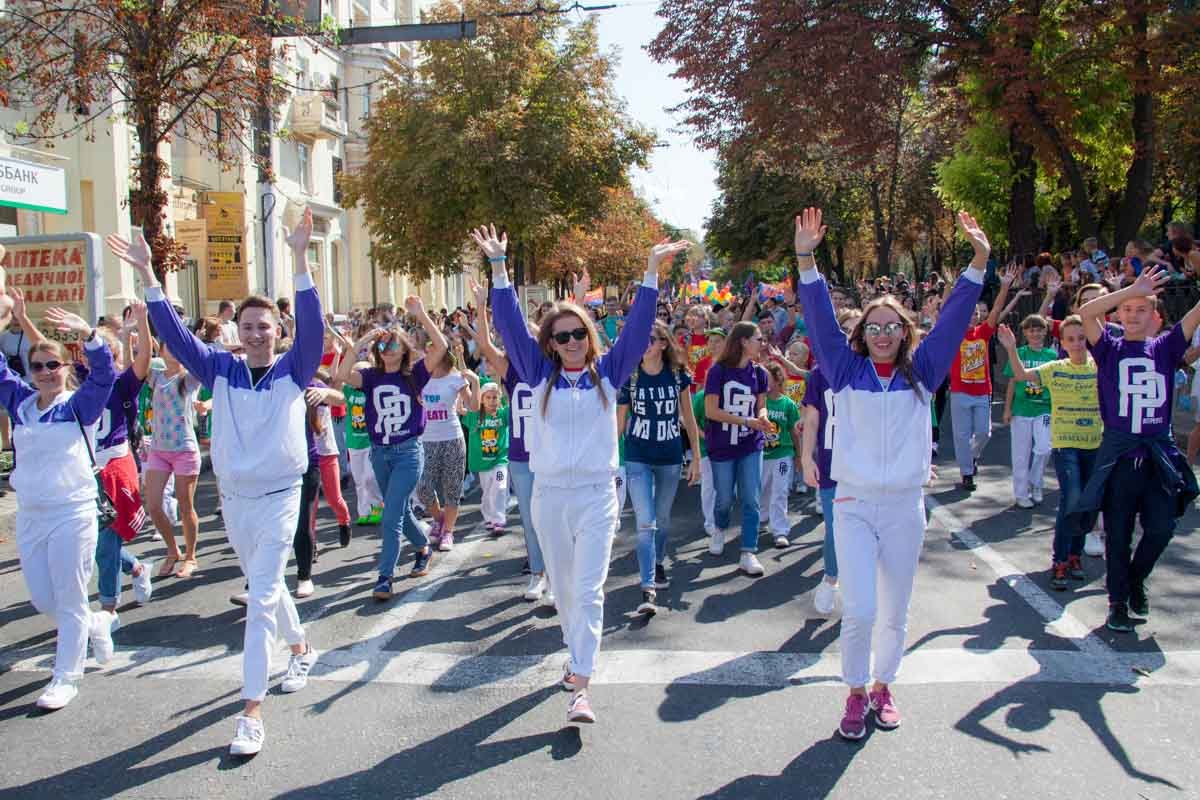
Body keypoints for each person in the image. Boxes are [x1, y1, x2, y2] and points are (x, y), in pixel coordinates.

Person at [108, 212, 322, 756]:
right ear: (237, 332)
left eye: (265, 325)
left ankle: (250, 711)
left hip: (279, 497)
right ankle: (300, 647)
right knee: (267, 587)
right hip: (235, 499)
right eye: (247, 326)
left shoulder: (294, 369)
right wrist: (150, 278)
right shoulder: (219, 369)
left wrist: (299, 260)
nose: (255, 333)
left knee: (260, 597)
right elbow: (176, 337)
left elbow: (315, 329)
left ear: (278, 331)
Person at [473, 222, 687, 725]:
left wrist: (651, 271)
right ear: (549, 341)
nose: (569, 340)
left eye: (577, 333)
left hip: (595, 495)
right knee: (565, 591)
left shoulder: (608, 374)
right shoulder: (537, 373)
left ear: (588, 338)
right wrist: (500, 267)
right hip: (549, 497)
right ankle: (576, 658)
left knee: (589, 590)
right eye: (560, 334)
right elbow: (506, 323)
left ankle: (582, 682)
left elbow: (636, 329)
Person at [794, 207, 990, 740]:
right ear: (863, 333)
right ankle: (855, 692)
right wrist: (805, 259)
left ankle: (884, 686)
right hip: (853, 504)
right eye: (872, 327)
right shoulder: (844, 369)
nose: (881, 334)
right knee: (859, 609)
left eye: (891, 327)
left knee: (895, 611)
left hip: (905, 506)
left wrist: (979, 261)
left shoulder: (923, 374)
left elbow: (952, 319)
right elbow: (819, 321)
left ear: (905, 333)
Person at [1, 306, 116, 710]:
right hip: (32, 515)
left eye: (53, 364)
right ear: (29, 371)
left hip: (72, 512)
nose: (46, 371)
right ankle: (98, 622)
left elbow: (105, 376)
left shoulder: (78, 406)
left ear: (66, 368)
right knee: (43, 601)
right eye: (38, 366)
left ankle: (66, 677)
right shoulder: (21, 403)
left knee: (68, 599)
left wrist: (90, 337)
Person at [1074, 266, 1200, 632]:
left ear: (1154, 315)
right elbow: (1085, 314)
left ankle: (1135, 580)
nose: (1132, 315)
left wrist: (1142, 291)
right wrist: (1132, 288)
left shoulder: (1165, 347)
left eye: (1141, 309)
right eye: (1126, 309)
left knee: (1161, 527)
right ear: (1117, 314)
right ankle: (1117, 601)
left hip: (1157, 454)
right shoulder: (1109, 348)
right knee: (1118, 533)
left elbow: (1193, 316)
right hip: (1119, 456)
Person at [335, 298, 448, 600]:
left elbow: (442, 347)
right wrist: (362, 340)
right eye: (384, 347)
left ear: (405, 349)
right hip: (380, 453)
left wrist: (421, 314)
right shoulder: (371, 377)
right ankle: (423, 547)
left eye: (394, 345)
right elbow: (343, 375)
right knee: (400, 510)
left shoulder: (414, 374)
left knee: (391, 515)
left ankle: (384, 577)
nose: (388, 350)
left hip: (408, 452)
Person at [997, 317, 1101, 590]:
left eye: (1081, 338)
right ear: (1062, 343)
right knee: (1072, 499)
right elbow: (1021, 377)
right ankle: (1060, 560)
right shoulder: (1055, 367)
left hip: (1094, 444)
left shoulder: (1100, 368)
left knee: (1087, 503)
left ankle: (1075, 555)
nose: (1077, 344)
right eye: (1071, 339)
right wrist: (1010, 348)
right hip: (1066, 445)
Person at [465, 278, 549, 603]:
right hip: (519, 455)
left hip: (550, 455)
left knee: (552, 517)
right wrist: (482, 305)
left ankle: (555, 574)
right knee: (529, 519)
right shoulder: (510, 370)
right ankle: (538, 575)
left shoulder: (549, 368)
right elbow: (485, 345)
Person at [617, 320, 702, 616]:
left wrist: (696, 458)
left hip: (669, 456)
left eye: (650, 339)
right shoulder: (631, 375)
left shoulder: (677, 376)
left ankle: (658, 561)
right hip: (638, 455)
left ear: (663, 344)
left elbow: (689, 419)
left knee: (663, 520)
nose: (644, 343)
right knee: (645, 522)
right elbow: (619, 423)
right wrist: (606, 460)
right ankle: (648, 588)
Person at [703, 320, 771, 575]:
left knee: (751, 498)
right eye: (759, 339)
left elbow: (760, 404)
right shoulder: (718, 371)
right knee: (723, 499)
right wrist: (746, 420)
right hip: (722, 445)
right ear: (743, 341)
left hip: (751, 444)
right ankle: (719, 529)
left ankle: (748, 551)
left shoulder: (760, 373)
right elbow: (711, 411)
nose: (762, 344)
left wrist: (762, 417)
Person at [948, 264, 1020, 490]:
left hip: (982, 391)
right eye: (969, 313)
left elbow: (997, 309)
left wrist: (1005, 286)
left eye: (976, 313)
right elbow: (949, 308)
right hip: (959, 391)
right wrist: (951, 287)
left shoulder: (983, 332)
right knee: (961, 435)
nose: (973, 316)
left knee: (983, 432)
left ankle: (971, 457)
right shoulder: (954, 331)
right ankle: (967, 473)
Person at [142, 339, 203, 579]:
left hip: (184, 450)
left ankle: (191, 556)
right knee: (154, 506)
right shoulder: (155, 376)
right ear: (161, 349)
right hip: (158, 449)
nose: (174, 352)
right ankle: (172, 550)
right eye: (171, 346)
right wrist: (132, 333)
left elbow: (200, 366)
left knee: (186, 506)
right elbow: (134, 363)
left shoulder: (188, 379)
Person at [415, 346, 472, 552]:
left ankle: (448, 531)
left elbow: (473, 406)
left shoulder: (455, 378)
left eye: (432, 351)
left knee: (452, 489)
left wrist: (473, 381)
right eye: (428, 351)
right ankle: (439, 519)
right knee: (422, 487)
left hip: (452, 440)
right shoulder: (420, 378)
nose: (427, 355)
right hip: (426, 441)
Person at [1001, 314, 1058, 508]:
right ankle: (1021, 493)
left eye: (1039, 329)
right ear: (1025, 333)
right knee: (1020, 454)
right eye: (1031, 330)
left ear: (1045, 331)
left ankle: (1036, 482)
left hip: (1044, 408)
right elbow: (1011, 382)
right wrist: (1007, 409)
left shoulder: (1052, 355)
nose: (1035, 333)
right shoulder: (1019, 353)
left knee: (1044, 447)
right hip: (1021, 409)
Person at [759, 362, 802, 548]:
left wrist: (799, 456)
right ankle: (761, 518)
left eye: (768, 378)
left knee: (780, 490)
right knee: (762, 488)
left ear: (778, 380)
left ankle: (780, 530)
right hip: (763, 454)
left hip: (782, 454)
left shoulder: (788, 404)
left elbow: (793, 432)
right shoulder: (759, 402)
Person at [463, 381, 510, 533]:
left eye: (495, 398)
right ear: (482, 400)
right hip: (483, 463)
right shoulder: (475, 417)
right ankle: (489, 517)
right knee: (488, 491)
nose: (491, 401)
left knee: (500, 486)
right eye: (488, 398)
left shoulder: (503, 414)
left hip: (500, 460)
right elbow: (465, 404)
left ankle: (499, 520)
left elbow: (510, 401)